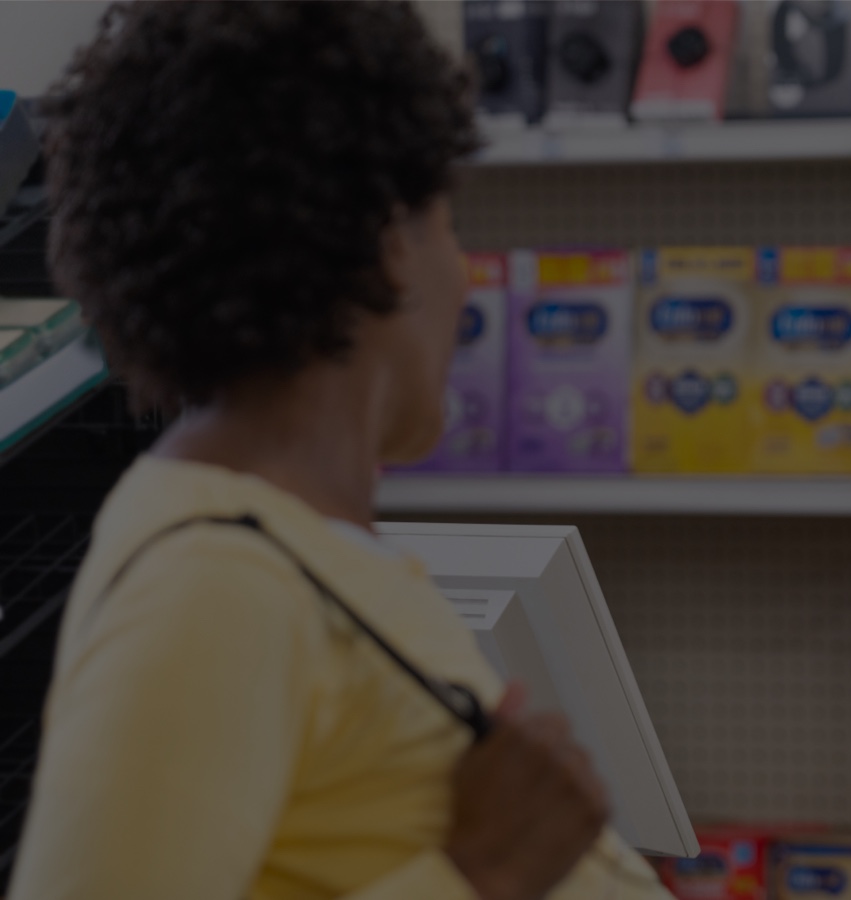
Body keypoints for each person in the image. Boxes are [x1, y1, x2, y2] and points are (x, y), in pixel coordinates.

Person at [11, 4, 670, 898]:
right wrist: (483, 873)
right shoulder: (212, 585)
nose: (466, 276)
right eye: (448, 225)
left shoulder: (299, 547)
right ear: (388, 241)